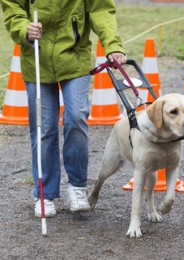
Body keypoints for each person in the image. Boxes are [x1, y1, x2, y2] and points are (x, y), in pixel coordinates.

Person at [1, 0, 127, 217]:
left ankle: (77, 187)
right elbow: (13, 8)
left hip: (74, 59)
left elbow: (101, 10)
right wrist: (24, 28)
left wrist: (112, 45)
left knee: (76, 117)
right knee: (44, 128)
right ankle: (44, 194)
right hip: (36, 60)